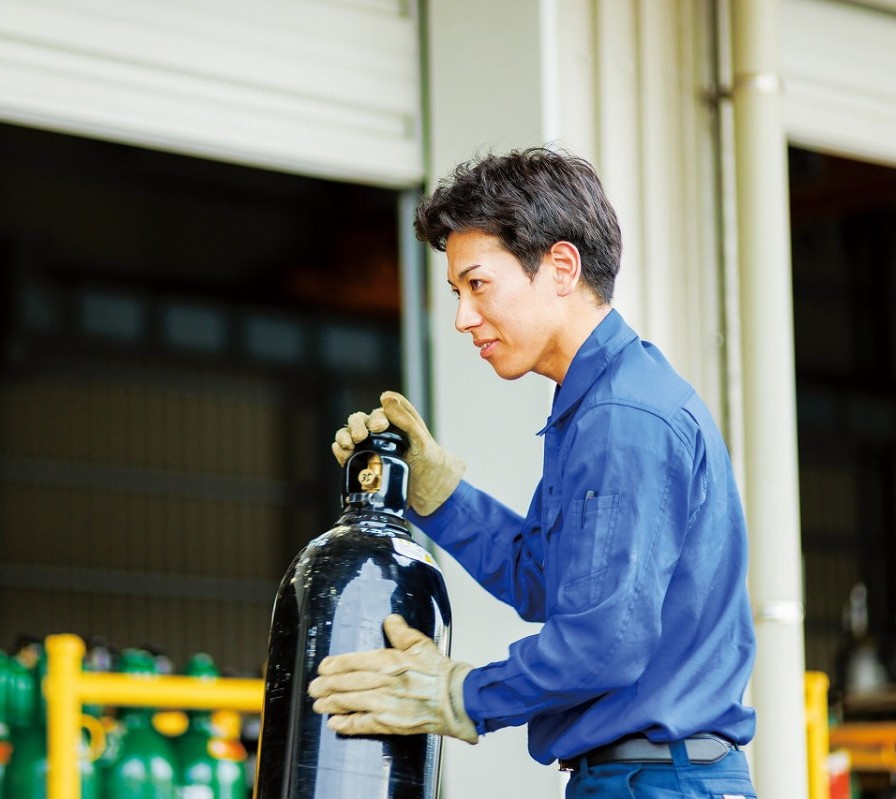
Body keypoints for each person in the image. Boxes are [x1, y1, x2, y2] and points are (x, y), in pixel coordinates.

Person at [307, 147, 758, 797]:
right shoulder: (599, 401)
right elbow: (545, 579)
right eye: (457, 292)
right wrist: (440, 492)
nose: (463, 317)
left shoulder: (621, 417)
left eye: (478, 283)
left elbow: (603, 642)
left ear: (561, 266)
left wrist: (457, 692)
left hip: (655, 782)